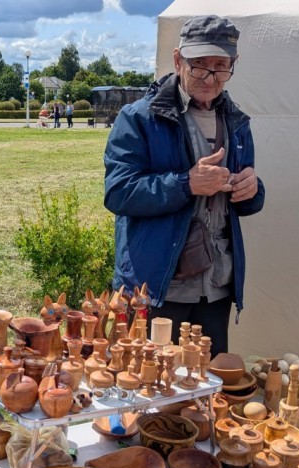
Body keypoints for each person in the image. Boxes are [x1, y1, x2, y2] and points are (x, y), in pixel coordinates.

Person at [103, 15, 265, 356]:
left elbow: (243, 203)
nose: (211, 77)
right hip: (158, 285)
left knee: (205, 390)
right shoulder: (139, 118)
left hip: (216, 285)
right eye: (200, 65)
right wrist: (186, 183)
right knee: (147, 389)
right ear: (178, 60)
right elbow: (118, 192)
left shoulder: (236, 122)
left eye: (221, 67)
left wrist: (252, 190)